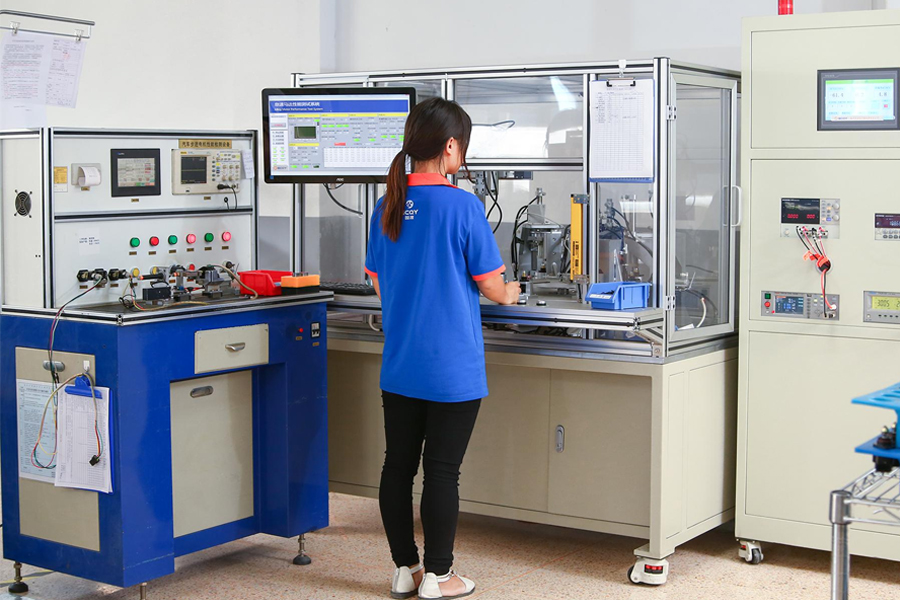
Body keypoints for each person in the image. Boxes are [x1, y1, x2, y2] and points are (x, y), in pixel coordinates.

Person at [364, 97, 520, 600]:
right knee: (442, 472)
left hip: (401, 364)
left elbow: (380, 284)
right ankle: (440, 575)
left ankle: (405, 569)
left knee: (397, 467)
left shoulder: (386, 205)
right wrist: (513, 292)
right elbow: (493, 286)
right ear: (451, 147)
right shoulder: (463, 206)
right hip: (451, 369)